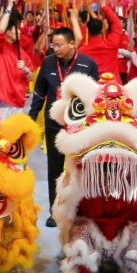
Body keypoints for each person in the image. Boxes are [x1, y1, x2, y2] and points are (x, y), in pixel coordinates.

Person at [28, 26, 98, 224]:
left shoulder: (88, 64)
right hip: (54, 125)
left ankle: (80, 210)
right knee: (55, 168)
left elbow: (95, 97)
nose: (56, 49)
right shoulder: (48, 63)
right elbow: (39, 94)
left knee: (80, 168)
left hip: (79, 126)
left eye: (59, 45)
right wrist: (30, 119)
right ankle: (55, 211)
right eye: (53, 45)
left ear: (72, 44)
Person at [0, 0, 37, 120]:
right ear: (8, 33)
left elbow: (30, 77)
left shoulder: (22, 53)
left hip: (19, 100)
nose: (20, 32)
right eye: (16, 30)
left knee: (15, 132)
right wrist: (9, 6)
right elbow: (1, 29)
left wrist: (25, 69)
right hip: (2, 99)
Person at [71, 0, 127, 89]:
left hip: (94, 89)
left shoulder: (82, 51)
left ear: (88, 31)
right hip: (114, 88)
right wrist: (103, 5)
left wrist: (73, 19)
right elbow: (117, 23)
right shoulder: (112, 44)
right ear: (102, 29)